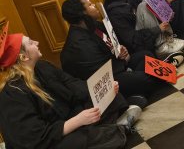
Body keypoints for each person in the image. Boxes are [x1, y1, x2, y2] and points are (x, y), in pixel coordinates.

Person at [0, 23, 137, 149]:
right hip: (48, 140)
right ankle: (117, 129)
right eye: (30, 43)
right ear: (24, 57)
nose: (36, 42)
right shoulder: (12, 93)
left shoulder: (43, 67)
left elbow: (73, 84)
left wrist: (103, 90)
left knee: (110, 99)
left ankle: (111, 128)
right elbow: (35, 138)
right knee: (77, 141)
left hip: (67, 119)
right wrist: (77, 121)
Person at [61, 0, 163, 98]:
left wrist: (119, 49)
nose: (95, 6)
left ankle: (138, 93)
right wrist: (123, 60)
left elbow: (111, 46)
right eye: (90, 5)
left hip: (117, 66)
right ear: (82, 12)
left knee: (146, 55)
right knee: (147, 78)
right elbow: (102, 72)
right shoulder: (79, 43)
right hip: (108, 81)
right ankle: (132, 96)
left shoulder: (94, 25)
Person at [104, 0, 184, 63]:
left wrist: (166, 13)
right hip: (136, 46)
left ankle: (168, 39)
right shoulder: (115, 14)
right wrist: (157, 29)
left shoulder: (129, 0)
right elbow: (132, 39)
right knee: (143, 6)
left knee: (146, 1)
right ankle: (161, 47)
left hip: (147, 36)